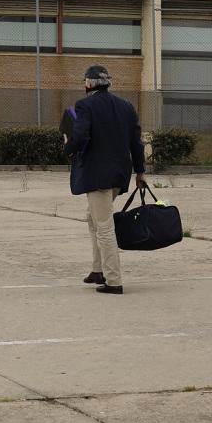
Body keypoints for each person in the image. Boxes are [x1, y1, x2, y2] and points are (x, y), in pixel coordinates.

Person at [62, 65, 146, 294]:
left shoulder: (85, 105)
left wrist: (67, 147)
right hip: (119, 174)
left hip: (96, 175)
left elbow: (80, 136)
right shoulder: (126, 107)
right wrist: (140, 171)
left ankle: (114, 280)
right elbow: (136, 143)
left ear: (88, 83)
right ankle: (98, 269)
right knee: (93, 217)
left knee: (104, 226)